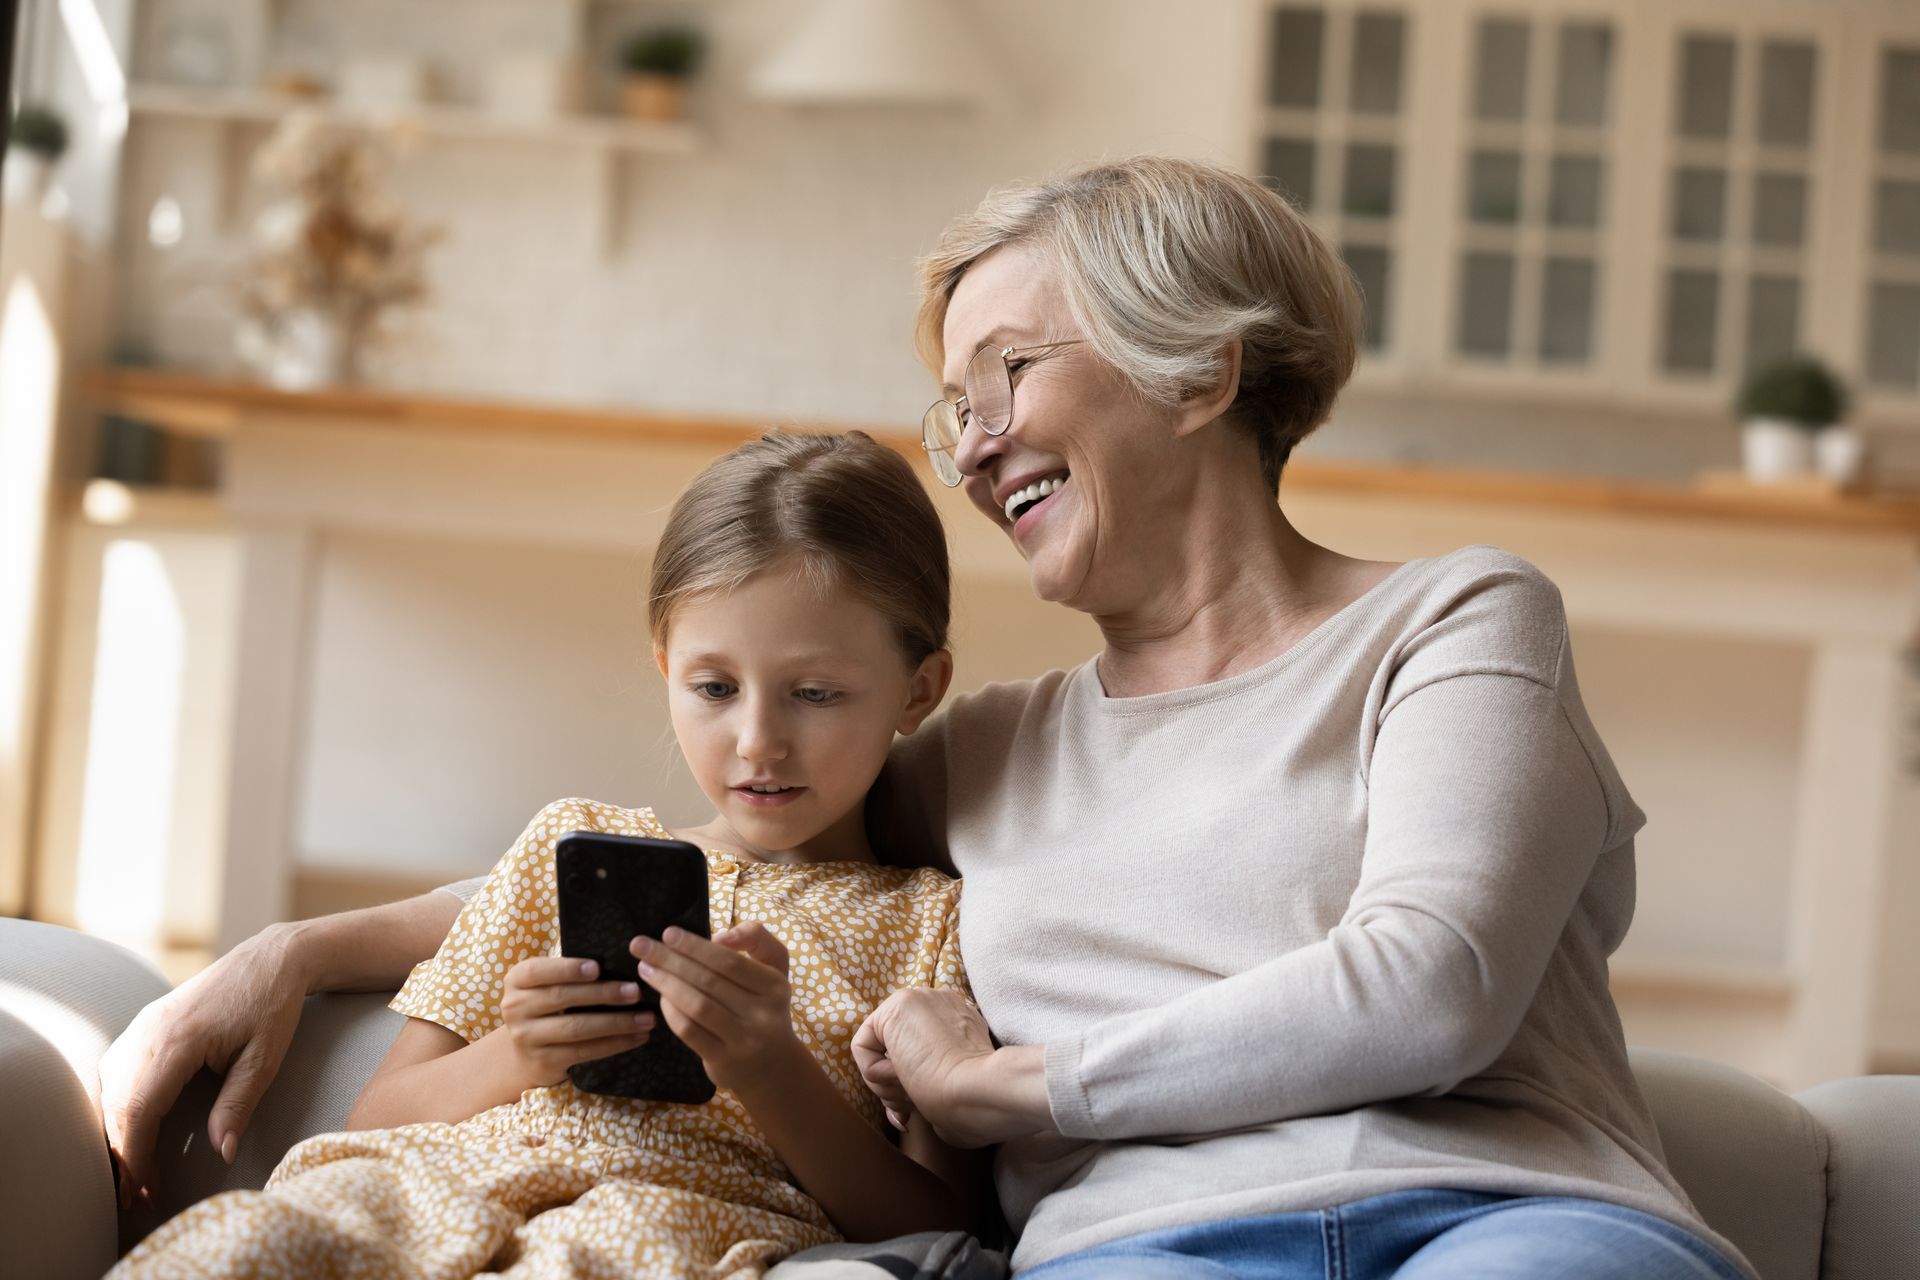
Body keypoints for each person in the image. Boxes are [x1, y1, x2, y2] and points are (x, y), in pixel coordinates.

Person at [104, 156, 1754, 1280]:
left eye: (1010, 377)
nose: (969, 448)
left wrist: (1014, 1093)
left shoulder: (1457, 619)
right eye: (952, 406)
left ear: (1201, 371)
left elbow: (1433, 988)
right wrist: (298, 955)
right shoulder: (989, 751)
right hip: (1143, 1252)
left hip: (1510, 1218)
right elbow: (713, 872)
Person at [110, 430, 977, 1278]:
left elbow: (944, 1226)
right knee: (235, 1245)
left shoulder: (933, 923)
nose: (758, 741)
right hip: (430, 1193)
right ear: (666, 668)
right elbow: (377, 1120)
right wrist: (519, 1053)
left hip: (661, 1232)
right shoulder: (569, 848)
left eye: (815, 693)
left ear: (918, 689)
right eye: (713, 688)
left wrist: (770, 1070)